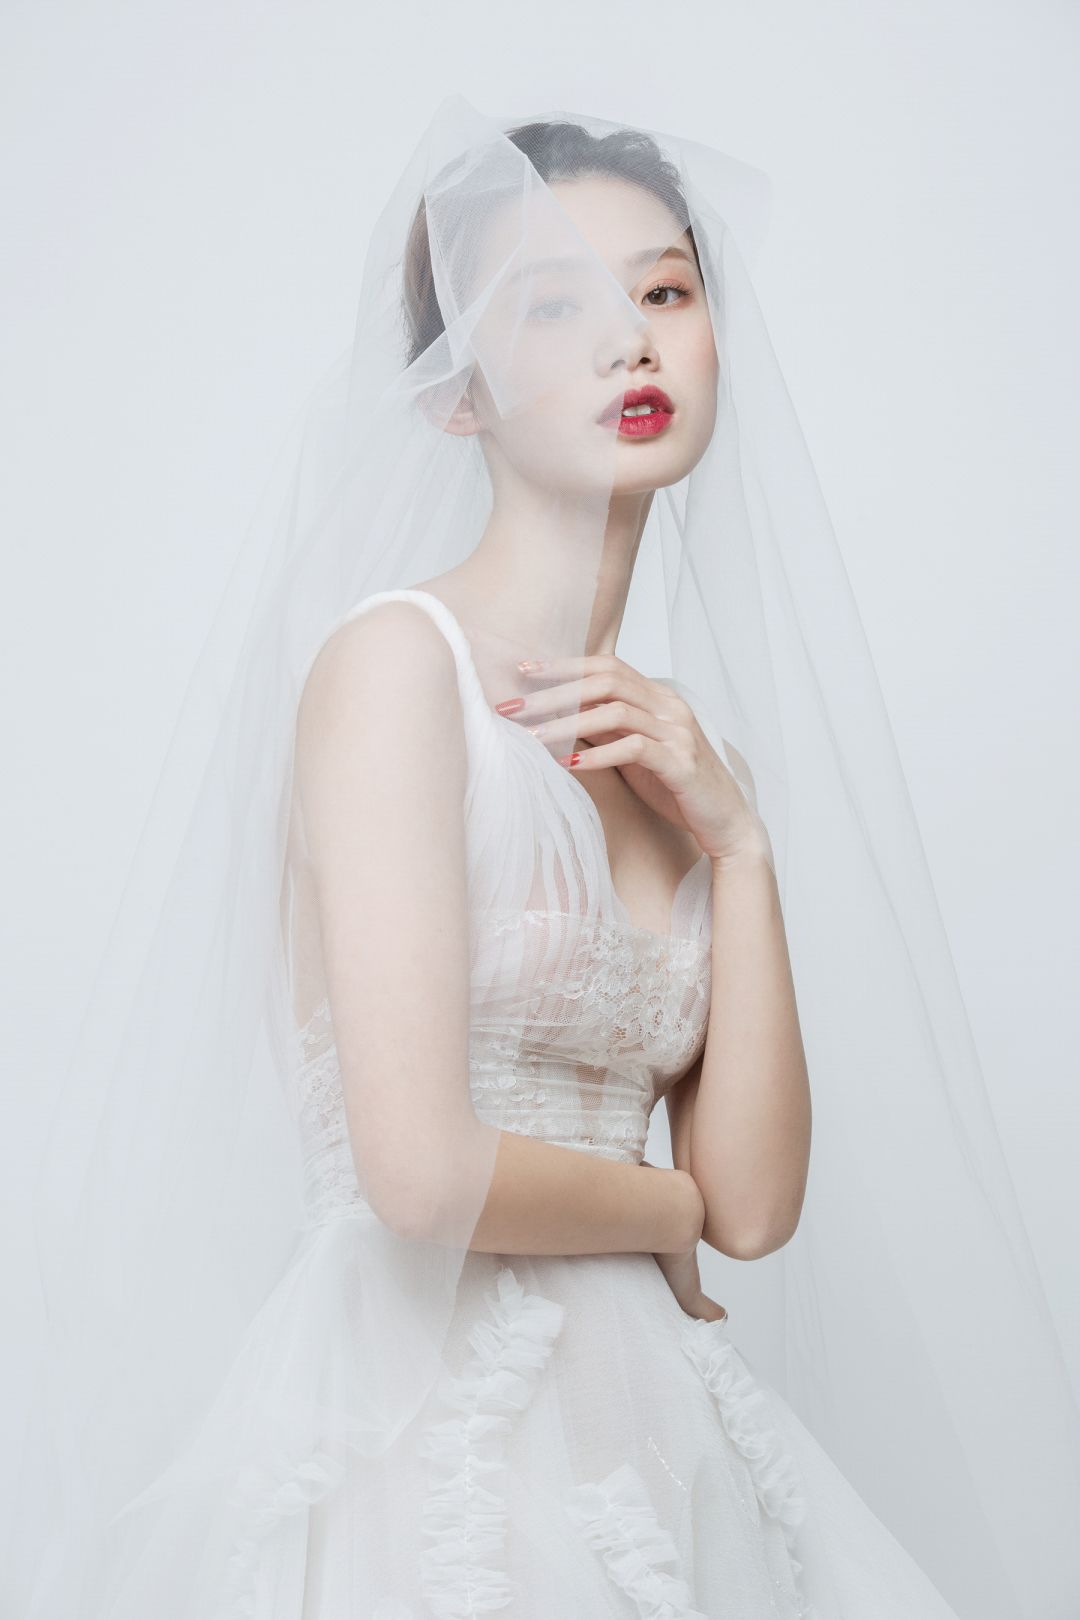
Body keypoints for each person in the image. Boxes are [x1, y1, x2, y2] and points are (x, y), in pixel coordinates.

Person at [19, 98, 1080, 1620]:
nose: (631, 342)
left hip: (658, 1437)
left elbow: (753, 1207)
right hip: (424, 1439)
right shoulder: (398, 668)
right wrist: (661, 1214)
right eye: (555, 305)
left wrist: (743, 847)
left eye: (666, 292)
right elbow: (420, 1174)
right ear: (456, 394)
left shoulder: (686, 759)